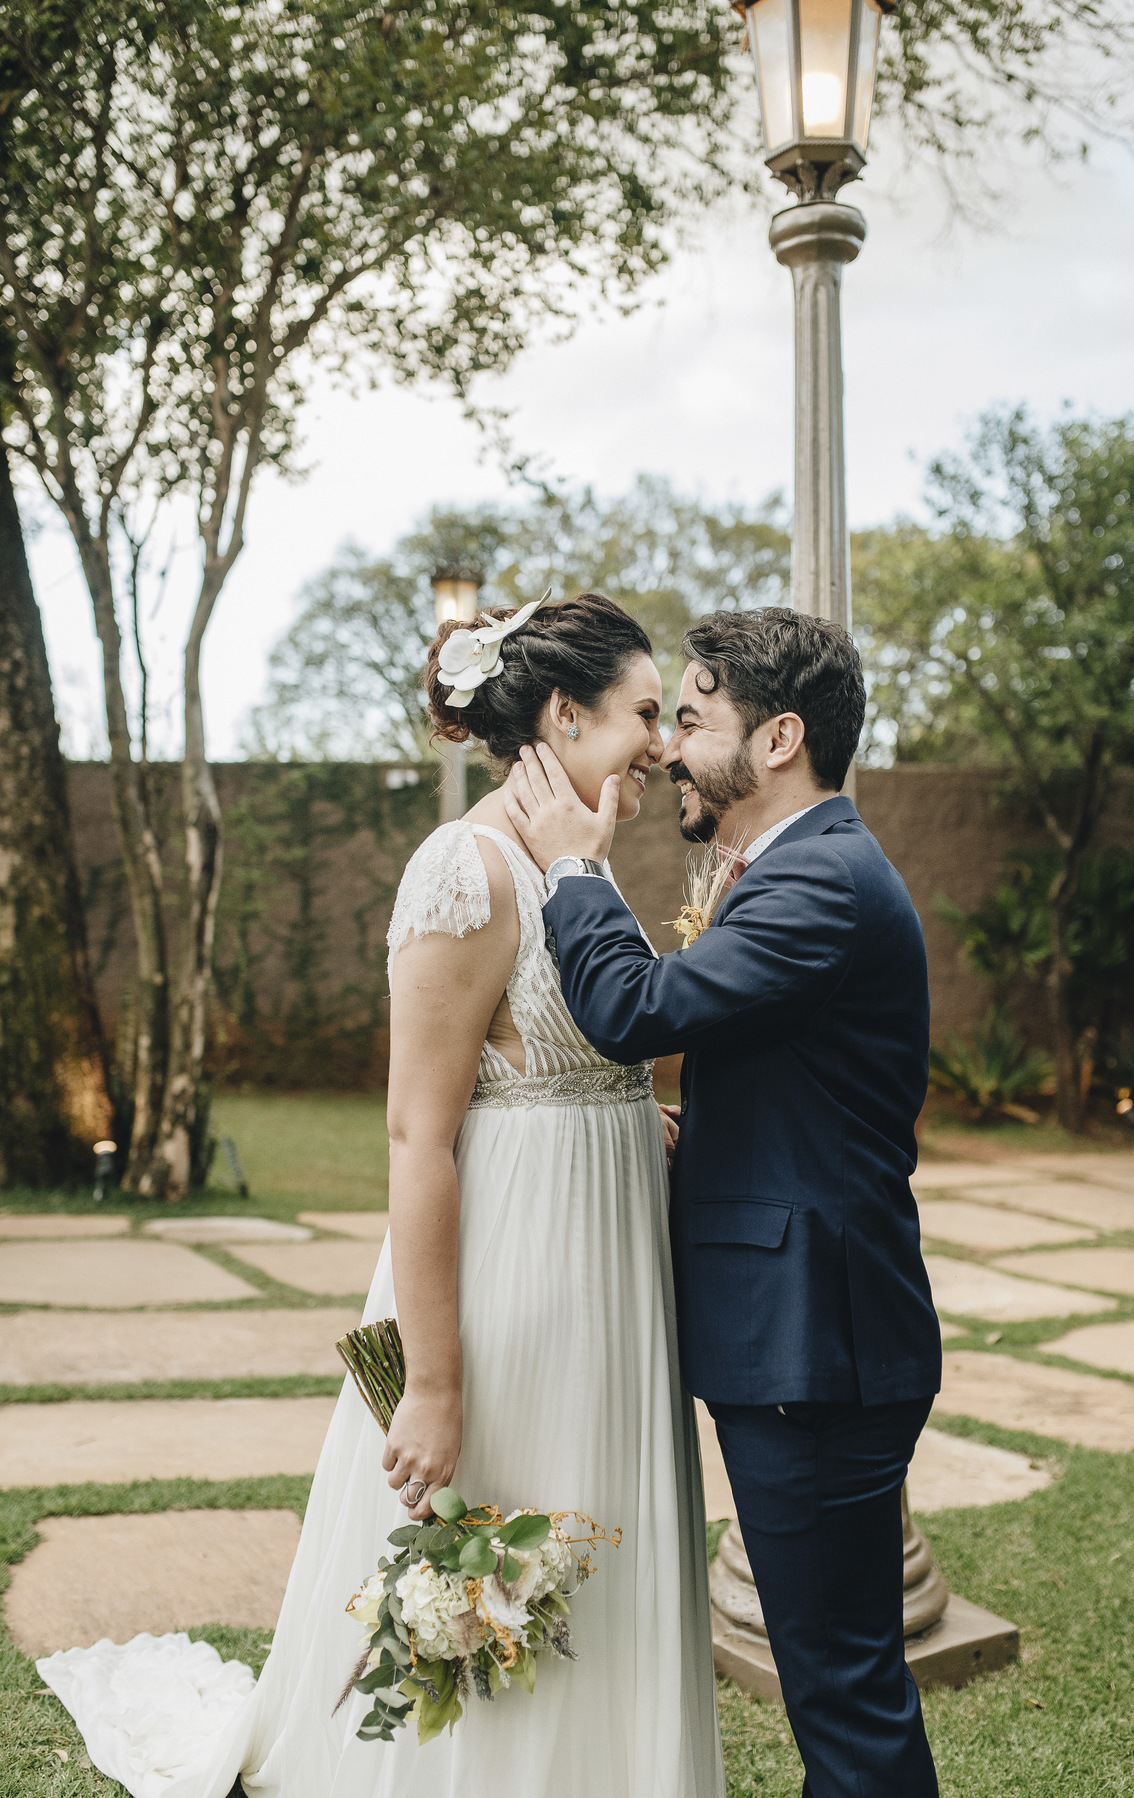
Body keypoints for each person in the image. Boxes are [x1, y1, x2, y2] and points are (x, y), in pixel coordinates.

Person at [37, 591, 724, 1798]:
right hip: (514, 1286)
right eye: (643, 713)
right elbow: (418, 1134)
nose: (662, 745)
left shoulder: (585, 861)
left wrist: (630, 1118)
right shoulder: (467, 868)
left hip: (613, 1285)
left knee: (606, 1543)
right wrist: (435, 1383)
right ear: (564, 716)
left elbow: (570, 1056)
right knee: (512, 1545)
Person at [504, 606, 942, 1798]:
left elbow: (634, 1010)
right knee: (836, 1683)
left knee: (842, 1690)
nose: (667, 748)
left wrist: (574, 865)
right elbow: (808, 1104)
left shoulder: (822, 879)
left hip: (817, 1352)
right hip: (808, 1342)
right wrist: (682, 1140)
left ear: (779, 737)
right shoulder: (799, 870)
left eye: (692, 720)